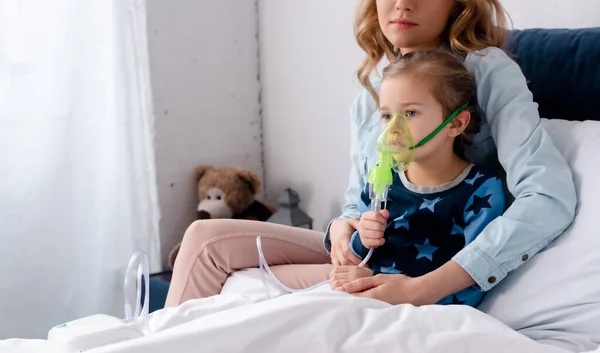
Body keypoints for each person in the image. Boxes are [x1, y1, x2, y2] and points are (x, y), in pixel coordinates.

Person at [165, 0, 576, 308]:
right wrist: (342, 229)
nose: (401, 3)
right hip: (376, 244)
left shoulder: (487, 71)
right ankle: (163, 352)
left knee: (244, 276)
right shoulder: (372, 93)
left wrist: (421, 288)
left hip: (421, 254)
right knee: (205, 239)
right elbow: (358, 201)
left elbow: (548, 197)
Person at [342, 49, 505, 308]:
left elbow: (474, 274)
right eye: (386, 116)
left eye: (410, 114)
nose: (393, 130)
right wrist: (362, 238)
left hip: (431, 313)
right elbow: (360, 257)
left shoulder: (481, 191)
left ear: (456, 124)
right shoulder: (382, 181)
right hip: (368, 302)